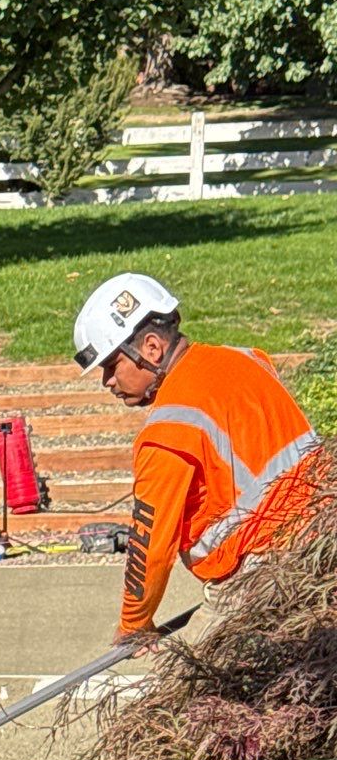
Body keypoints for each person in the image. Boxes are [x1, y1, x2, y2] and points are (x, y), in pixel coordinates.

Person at [73, 272, 323, 645]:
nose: (107, 381)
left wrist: (133, 624)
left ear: (152, 348)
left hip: (262, 577)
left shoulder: (168, 430)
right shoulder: (248, 361)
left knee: (192, 685)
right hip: (323, 540)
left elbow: (150, 549)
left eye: (111, 366)